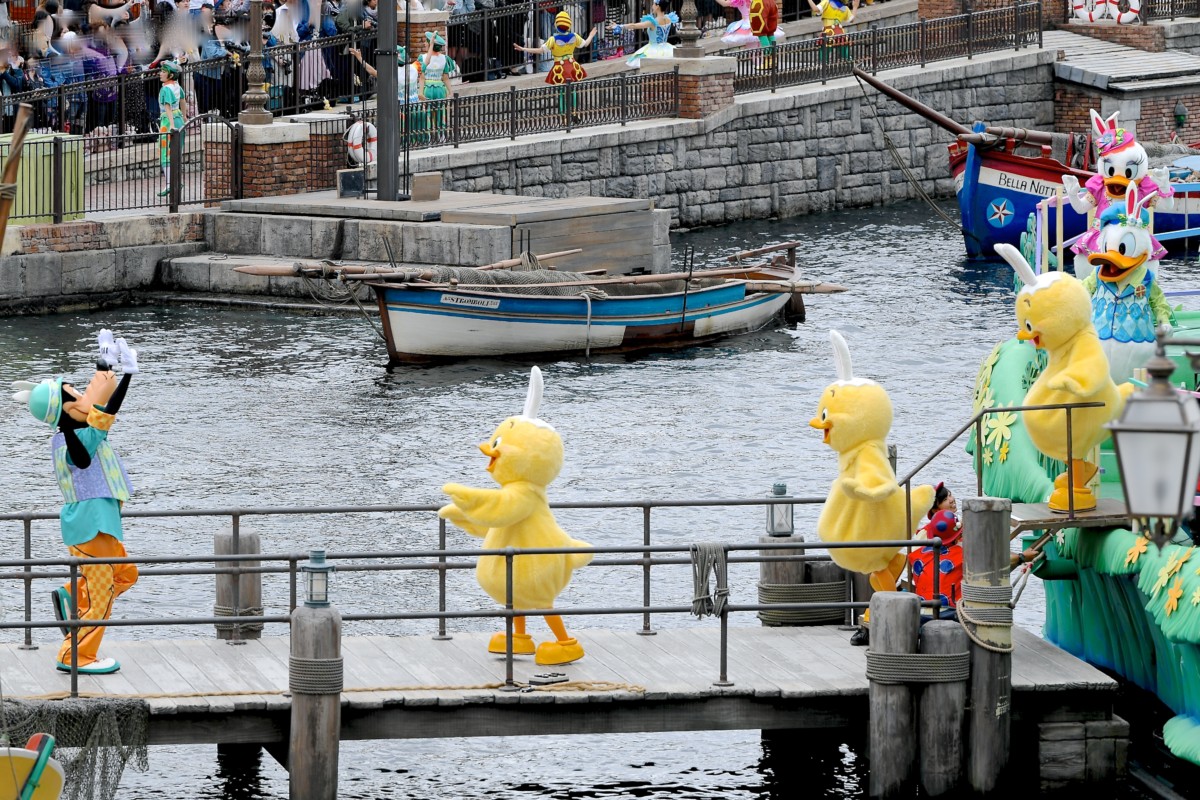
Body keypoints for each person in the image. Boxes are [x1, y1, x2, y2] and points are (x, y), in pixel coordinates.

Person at [12, 330, 141, 676]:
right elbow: (102, 418)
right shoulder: (74, 439)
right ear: (65, 412)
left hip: (100, 525)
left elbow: (100, 407)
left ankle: (72, 593)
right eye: (76, 397)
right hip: (90, 528)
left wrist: (111, 367)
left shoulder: (74, 435)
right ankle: (76, 655)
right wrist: (127, 375)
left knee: (126, 574)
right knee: (102, 598)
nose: (84, 398)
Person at [515, 10, 595, 121]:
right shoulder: (574, 36)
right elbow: (585, 44)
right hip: (572, 66)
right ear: (569, 25)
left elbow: (540, 50)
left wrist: (523, 49)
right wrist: (591, 35)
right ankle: (575, 113)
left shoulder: (553, 39)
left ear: (556, 25)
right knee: (573, 90)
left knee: (562, 92)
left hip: (560, 68)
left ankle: (564, 116)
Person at [608, 0, 676, 69]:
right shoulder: (669, 18)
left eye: (653, 4)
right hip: (667, 49)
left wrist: (619, 26)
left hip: (654, 50)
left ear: (657, 6)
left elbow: (634, 25)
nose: (652, 6)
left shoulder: (653, 22)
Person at [157, 59, 185, 196]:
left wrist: (171, 125)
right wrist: (184, 117)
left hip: (168, 121)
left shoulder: (165, 89)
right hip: (179, 118)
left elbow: (167, 106)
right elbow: (183, 101)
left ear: (171, 75)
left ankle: (169, 183)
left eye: (163, 72)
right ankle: (177, 181)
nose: (160, 73)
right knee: (177, 152)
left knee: (165, 153)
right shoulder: (177, 86)